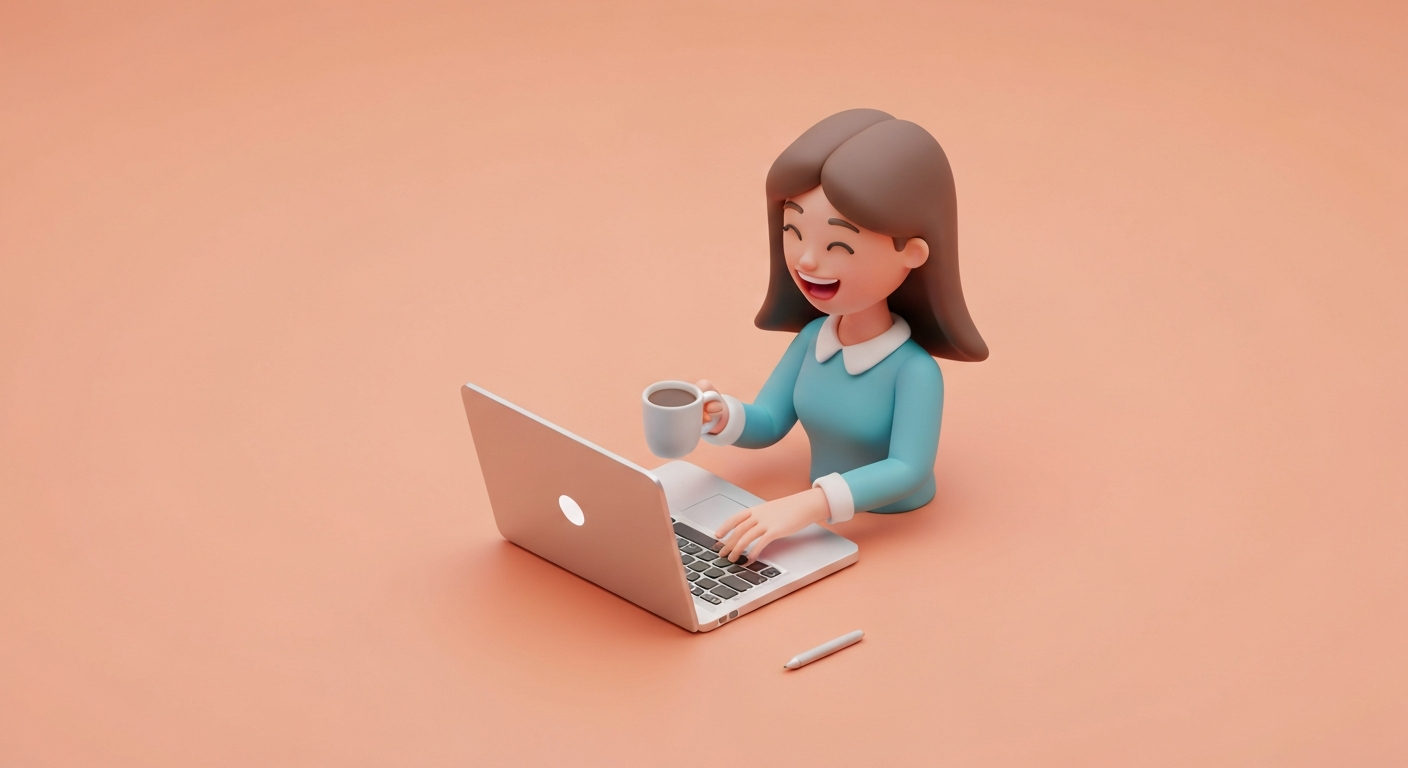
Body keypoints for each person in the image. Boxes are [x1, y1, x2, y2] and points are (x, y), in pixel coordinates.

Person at [699, 108, 988, 563]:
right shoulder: (813, 337)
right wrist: (720, 416)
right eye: (792, 232)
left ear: (911, 253)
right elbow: (771, 422)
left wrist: (807, 506)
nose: (807, 262)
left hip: (894, 531)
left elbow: (909, 470)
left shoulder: (914, 371)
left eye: (838, 245)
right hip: (822, 517)